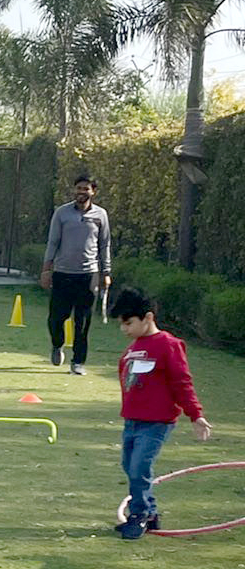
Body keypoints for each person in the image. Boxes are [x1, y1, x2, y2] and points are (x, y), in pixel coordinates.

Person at [111, 289, 212, 539]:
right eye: (121, 324)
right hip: (132, 421)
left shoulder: (169, 345)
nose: (124, 329)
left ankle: (140, 515)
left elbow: (182, 383)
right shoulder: (132, 349)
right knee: (129, 465)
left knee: (139, 467)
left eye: (128, 323)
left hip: (156, 422)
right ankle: (151, 513)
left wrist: (195, 414)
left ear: (147, 318)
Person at [40, 174, 112, 375]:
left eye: (86, 189)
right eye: (78, 188)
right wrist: (47, 270)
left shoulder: (100, 215)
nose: (81, 192)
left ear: (93, 191)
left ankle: (78, 362)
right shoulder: (62, 213)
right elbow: (53, 242)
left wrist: (106, 272)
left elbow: (104, 244)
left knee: (82, 322)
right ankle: (57, 345)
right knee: (56, 318)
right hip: (63, 273)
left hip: (88, 275)